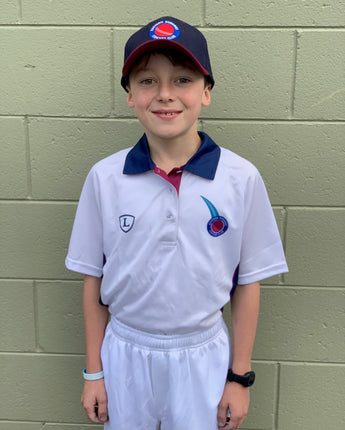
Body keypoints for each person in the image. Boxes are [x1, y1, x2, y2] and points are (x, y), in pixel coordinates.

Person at [65, 16, 288, 430]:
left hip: (202, 353)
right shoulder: (105, 178)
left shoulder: (240, 179)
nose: (165, 95)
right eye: (147, 81)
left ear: (206, 92)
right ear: (130, 95)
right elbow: (93, 279)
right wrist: (93, 372)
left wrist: (239, 378)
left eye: (182, 79)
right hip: (126, 351)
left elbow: (248, 281)